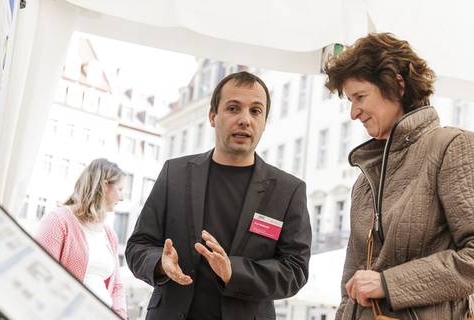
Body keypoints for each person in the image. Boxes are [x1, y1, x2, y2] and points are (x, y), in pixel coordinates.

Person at [126, 71, 312, 320]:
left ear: (265, 122)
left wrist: (232, 271)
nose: (245, 120)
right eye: (233, 108)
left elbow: (295, 270)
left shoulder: (288, 190)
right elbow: (138, 246)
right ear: (213, 117)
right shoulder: (175, 174)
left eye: (256, 111)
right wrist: (160, 263)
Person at [324, 32, 474, 320]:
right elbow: (350, 286)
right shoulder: (366, 175)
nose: (353, 112)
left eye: (360, 97)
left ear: (397, 85)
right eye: (349, 101)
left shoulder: (451, 147)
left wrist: (389, 283)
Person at [35, 158, 127, 319]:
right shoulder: (58, 220)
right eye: (120, 189)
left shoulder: (110, 235)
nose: (122, 197)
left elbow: (117, 286)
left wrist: (121, 316)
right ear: (105, 186)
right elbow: (41, 274)